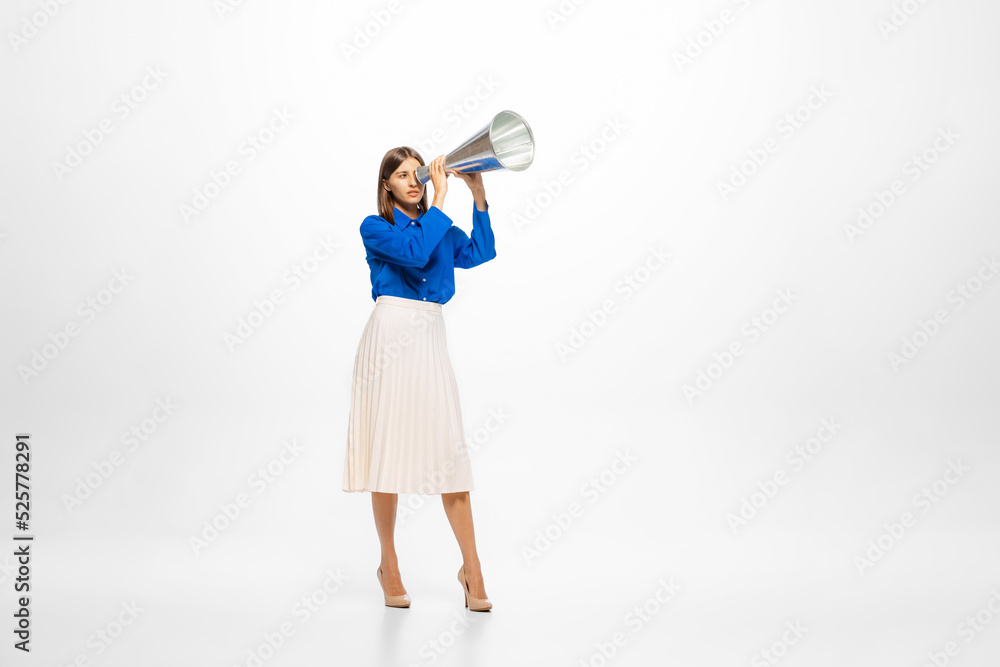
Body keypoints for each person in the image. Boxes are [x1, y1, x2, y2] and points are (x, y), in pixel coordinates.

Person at [342, 147, 496, 612]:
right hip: (389, 337)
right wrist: (443, 201)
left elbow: (481, 252)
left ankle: (472, 569)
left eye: (419, 175)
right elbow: (412, 253)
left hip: (429, 338)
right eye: (402, 175)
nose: (414, 182)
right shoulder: (376, 227)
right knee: (386, 455)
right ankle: (389, 563)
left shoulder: (441, 227)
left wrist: (478, 193)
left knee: (450, 455)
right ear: (386, 185)